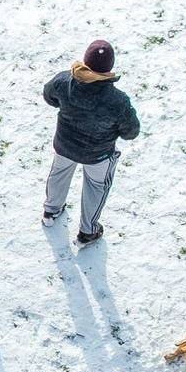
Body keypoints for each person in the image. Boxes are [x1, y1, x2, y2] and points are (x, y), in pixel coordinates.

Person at [41, 39, 141, 243]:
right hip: (98, 155)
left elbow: (48, 96)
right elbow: (131, 132)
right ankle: (88, 231)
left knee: (59, 173)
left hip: (64, 145)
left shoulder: (63, 81)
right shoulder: (118, 101)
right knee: (96, 186)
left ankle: (51, 211)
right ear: (109, 68)